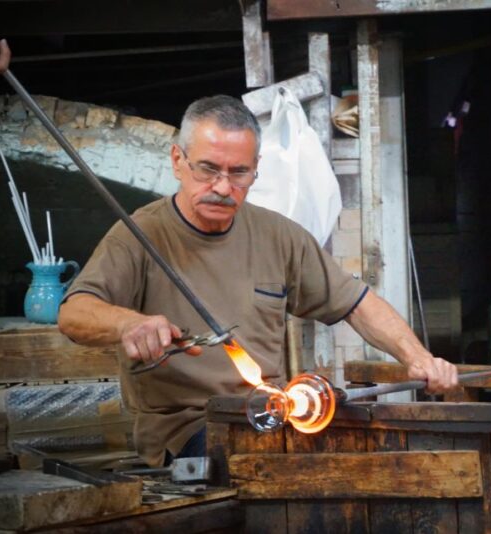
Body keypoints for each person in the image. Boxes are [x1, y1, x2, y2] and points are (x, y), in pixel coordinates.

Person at [58, 95, 458, 467]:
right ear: (178, 160)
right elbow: (73, 314)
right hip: (188, 432)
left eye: (239, 173)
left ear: (256, 170)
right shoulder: (138, 235)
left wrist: (417, 357)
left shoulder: (279, 236)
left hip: (274, 414)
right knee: (264, 469)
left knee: (370, 459)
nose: (222, 187)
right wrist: (129, 324)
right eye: (208, 169)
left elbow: (356, 303)